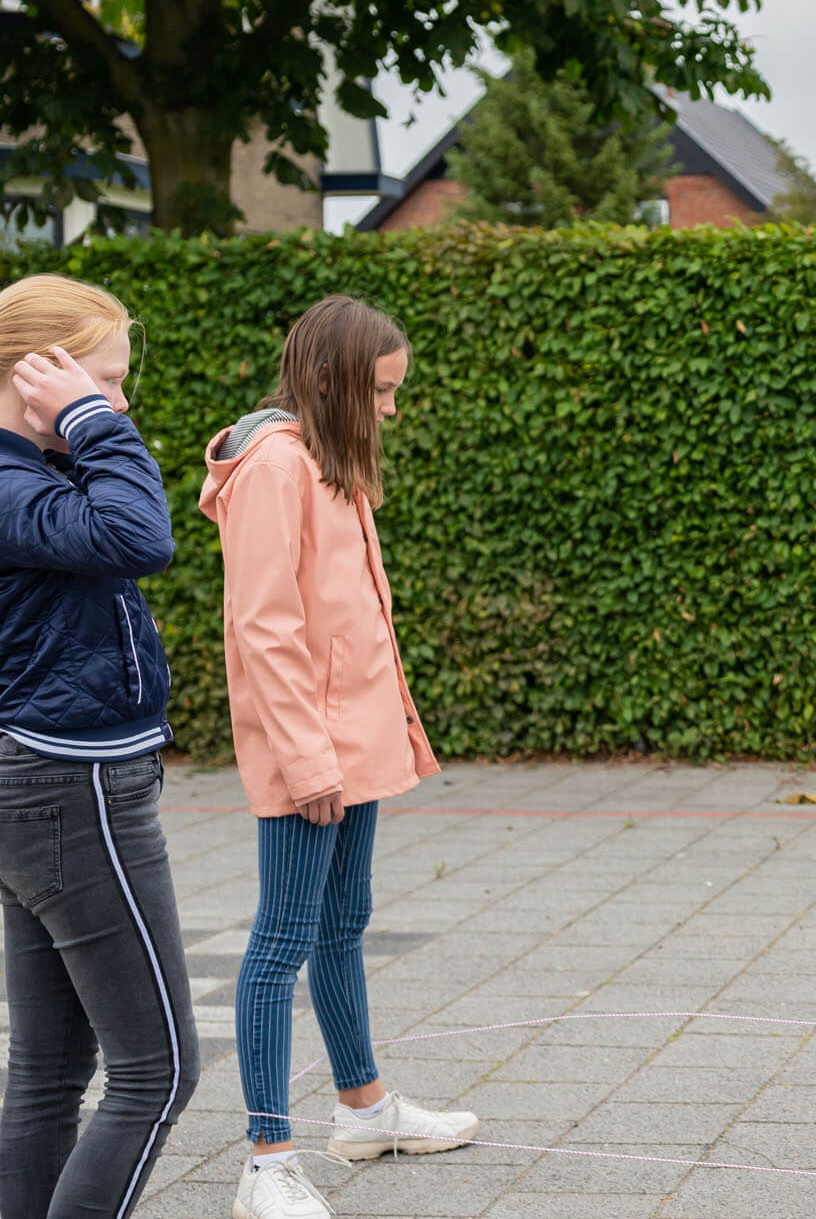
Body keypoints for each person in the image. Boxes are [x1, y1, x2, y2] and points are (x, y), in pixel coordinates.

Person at [200, 295, 474, 1217]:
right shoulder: (276, 466)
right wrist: (310, 760)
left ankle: (363, 1109)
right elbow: (265, 626)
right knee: (280, 941)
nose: (392, 408)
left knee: (342, 920)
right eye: (382, 390)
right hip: (307, 753)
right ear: (330, 381)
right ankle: (266, 1159)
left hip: (352, 741)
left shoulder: (329, 459)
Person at [0, 274, 199, 1219]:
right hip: (69, 782)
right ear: (33, 372)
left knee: (47, 1071)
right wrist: (89, 419)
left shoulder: (29, 472)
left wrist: (79, 424)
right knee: (156, 1074)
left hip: (38, 781)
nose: (120, 402)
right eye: (104, 380)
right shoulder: (8, 479)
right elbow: (139, 535)